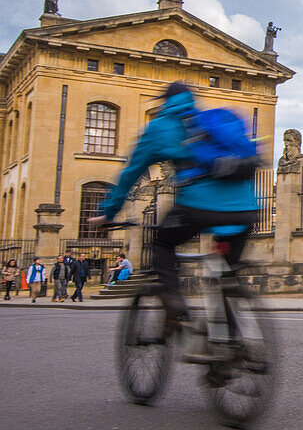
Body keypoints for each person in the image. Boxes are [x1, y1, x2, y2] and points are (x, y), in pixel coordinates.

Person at [92, 82, 258, 328]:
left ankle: (173, 299)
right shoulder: (208, 119)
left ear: (165, 102)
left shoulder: (159, 127)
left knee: (162, 242)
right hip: (246, 207)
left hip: (198, 205)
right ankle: (230, 348)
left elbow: (130, 173)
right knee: (226, 277)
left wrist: (108, 211)